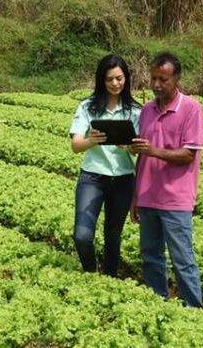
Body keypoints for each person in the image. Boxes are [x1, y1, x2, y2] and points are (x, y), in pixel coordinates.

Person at [129, 51, 203, 308]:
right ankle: (157, 303)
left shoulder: (191, 109)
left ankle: (194, 311)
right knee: (150, 256)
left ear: (177, 79)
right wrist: (136, 195)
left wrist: (154, 151)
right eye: (153, 79)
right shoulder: (147, 110)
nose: (157, 85)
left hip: (175, 199)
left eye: (163, 79)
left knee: (182, 259)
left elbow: (188, 154)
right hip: (148, 196)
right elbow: (142, 155)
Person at [69, 54, 141, 277]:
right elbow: (75, 145)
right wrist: (91, 140)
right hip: (93, 178)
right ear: (102, 80)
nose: (115, 83)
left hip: (123, 179)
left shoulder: (136, 111)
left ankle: (109, 277)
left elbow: (140, 148)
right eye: (109, 79)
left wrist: (129, 146)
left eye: (119, 78)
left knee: (113, 234)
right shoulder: (88, 107)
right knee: (81, 234)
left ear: (126, 78)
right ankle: (91, 272)